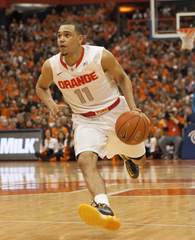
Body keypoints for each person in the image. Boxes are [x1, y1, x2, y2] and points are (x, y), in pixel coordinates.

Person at [36, 20, 146, 231]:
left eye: (67, 35)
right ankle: (103, 206)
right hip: (84, 118)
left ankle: (128, 156)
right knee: (85, 160)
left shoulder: (100, 55)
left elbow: (123, 77)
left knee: (141, 162)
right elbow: (41, 87)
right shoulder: (51, 65)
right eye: (59, 35)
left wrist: (132, 108)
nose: (61, 38)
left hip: (116, 112)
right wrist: (50, 102)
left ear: (80, 39)